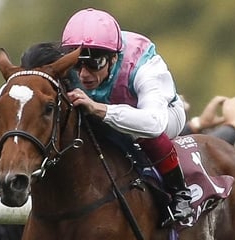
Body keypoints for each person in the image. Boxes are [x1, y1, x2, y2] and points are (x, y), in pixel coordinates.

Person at [60, 8, 190, 221]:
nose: (83, 74)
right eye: (77, 64)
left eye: (93, 64)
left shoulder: (144, 67)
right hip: (108, 116)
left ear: (113, 57)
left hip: (165, 118)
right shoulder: (77, 63)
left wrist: (98, 108)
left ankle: (180, 194)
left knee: (140, 131)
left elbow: (153, 124)